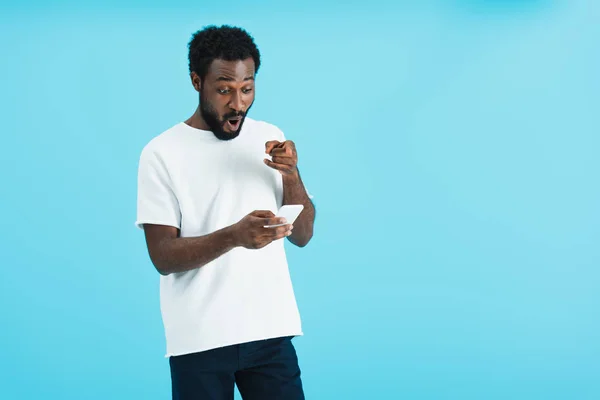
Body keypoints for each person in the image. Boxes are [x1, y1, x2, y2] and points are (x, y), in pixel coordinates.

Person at [135, 24, 316, 400]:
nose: (238, 104)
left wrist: (292, 175)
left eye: (247, 88)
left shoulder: (268, 136)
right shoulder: (161, 153)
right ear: (196, 81)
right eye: (224, 90)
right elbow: (163, 257)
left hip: (271, 333)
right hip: (199, 340)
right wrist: (234, 236)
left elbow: (303, 235)